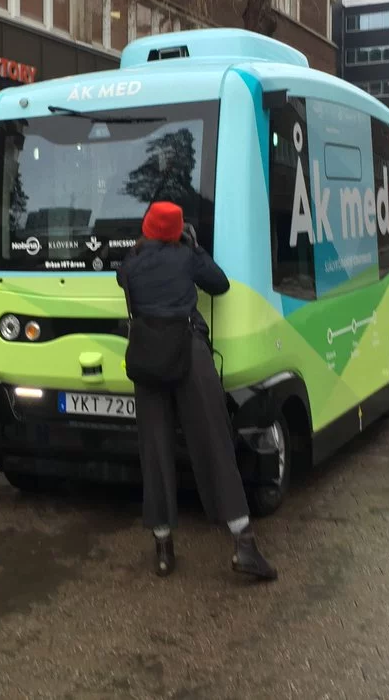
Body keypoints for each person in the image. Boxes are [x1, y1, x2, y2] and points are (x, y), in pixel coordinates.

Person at [117, 202, 277, 581]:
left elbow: (126, 277)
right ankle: (243, 544)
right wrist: (193, 246)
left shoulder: (130, 264)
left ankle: (163, 549)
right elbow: (219, 284)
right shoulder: (186, 257)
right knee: (213, 442)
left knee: (154, 449)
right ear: (177, 232)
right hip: (188, 352)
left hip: (146, 359)